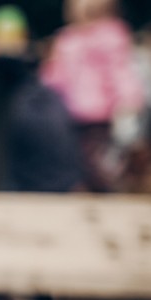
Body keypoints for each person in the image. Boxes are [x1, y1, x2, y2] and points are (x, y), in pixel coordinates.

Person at [40, 0, 145, 192]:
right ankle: (91, 187)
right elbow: (57, 74)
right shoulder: (68, 38)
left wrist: (129, 99)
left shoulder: (111, 36)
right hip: (69, 111)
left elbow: (120, 71)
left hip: (98, 111)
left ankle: (108, 189)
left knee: (97, 156)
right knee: (78, 155)